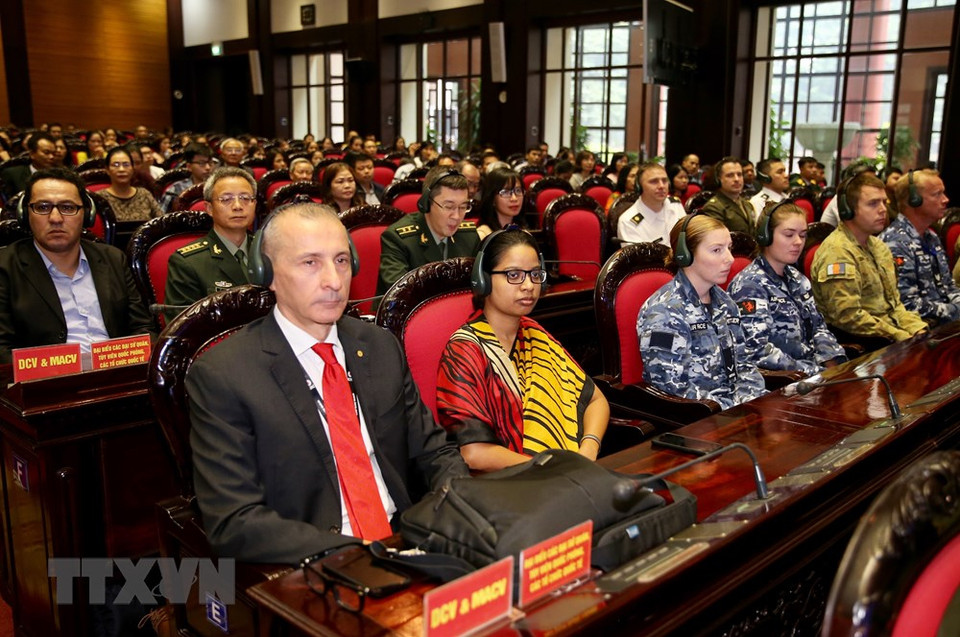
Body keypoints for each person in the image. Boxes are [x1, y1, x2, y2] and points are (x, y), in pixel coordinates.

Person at [186, 202, 469, 563]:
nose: (334, 281)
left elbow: (435, 452)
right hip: (316, 562)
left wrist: (457, 513)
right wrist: (358, 555)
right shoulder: (224, 374)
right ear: (266, 272)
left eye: (340, 260)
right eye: (310, 263)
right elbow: (235, 522)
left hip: (409, 539)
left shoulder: (379, 346)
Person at [436, 229, 608, 472]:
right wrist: (550, 466)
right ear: (483, 279)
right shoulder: (465, 350)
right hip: (506, 485)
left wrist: (589, 448)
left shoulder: (534, 334)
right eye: (513, 275)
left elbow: (597, 400)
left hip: (566, 472)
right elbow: (474, 453)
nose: (528, 285)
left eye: (535, 274)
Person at [0, 168, 153, 363]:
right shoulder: (5, 266)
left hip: (118, 376)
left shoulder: (113, 259)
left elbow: (143, 330)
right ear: (25, 214)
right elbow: (2, 352)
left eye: (68, 207)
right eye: (43, 207)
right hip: (47, 385)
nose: (55, 218)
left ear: (87, 214)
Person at [637, 214, 766, 409]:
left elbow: (744, 364)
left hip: (737, 410)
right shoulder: (665, 312)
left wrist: (753, 402)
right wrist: (731, 409)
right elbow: (672, 387)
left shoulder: (725, 302)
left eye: (729, 248)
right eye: (716, 250)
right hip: (697, 418)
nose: (730, 259)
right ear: (685, 255)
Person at [728, 202, 846, 375]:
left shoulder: (798, 279)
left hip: (812, 375)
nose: (798, 242)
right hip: (781, 382)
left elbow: (819, 328)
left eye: (803, 235)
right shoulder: (749, 286)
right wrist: (813, 372)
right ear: (766, 236)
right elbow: (757, 350)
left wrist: (834, 364)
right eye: (789, 235)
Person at [811, 172, 927, 343]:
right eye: (873, 204)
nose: (883, 209)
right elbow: (848, 317)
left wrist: (916, 328)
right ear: (848, 210)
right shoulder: (837, 253)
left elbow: (894, 305)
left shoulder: (879, 246)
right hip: (864, 346)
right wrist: (898, 335)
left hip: (890, 338)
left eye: (884, 202)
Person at [164, 167, 257, 323]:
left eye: (245, 198)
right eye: (226, 199)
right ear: (209, 208)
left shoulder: (271, 251)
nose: (238, 206)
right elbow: (183, 330)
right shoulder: (188, 262)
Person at [376, 168, 480, 297]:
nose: (457, 216)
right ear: (426, 203)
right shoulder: (398, 239)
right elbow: (401, 295)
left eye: (463, 207)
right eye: (448, 207)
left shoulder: (469, 236)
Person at [879, 169, 960, 325]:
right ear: (914, 200)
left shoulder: (931, 237)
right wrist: (955, 311)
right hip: (921, 333)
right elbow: (907, 304)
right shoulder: (896, 242)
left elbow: (948, 287)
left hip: (944, 326)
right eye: (937, 194)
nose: (945, 199)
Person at [618, 163, 686, 245]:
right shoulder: (628, 222)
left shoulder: (675, 205)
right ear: (639, 187)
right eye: (654, 181)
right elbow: (637, 257)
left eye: (664, 181)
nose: (661, 186)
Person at [100, 147, 162, 221]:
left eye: (126, 164)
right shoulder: (99, 198)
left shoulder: (144, 194)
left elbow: (161, 223)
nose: (121, 169)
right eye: (116, 165)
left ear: (133, 168)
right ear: (107, 170)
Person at [701, 157, 757, 235]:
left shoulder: (747, 204)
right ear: (719, 179)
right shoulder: (713, 207)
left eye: (739, 174)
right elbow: (717, 238)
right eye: (730, 175)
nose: (737, 179)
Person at [1, 132, 58, 200]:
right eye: (46, 152)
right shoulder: (13, 174)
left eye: (54, 153)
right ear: (32, 154)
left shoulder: (60, 175)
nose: (51, 157)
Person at [160, 143, 213, 212]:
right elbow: (161, 218)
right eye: (201, 163)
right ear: (189, 166)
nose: (208, 167)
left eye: (210, 163)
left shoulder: (219, 187)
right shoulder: (176, 189)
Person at [476, 167, 526, 240]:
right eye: (505, 192)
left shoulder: (524, 233)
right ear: (492, 198)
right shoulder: (483, 235)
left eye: (518, 190)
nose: (514, 198)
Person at [749, 158, 790, 222]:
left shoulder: (787, 197)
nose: (786, 175)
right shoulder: (758, 202)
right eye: (780, 172)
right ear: (766, 178)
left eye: (784, 171)